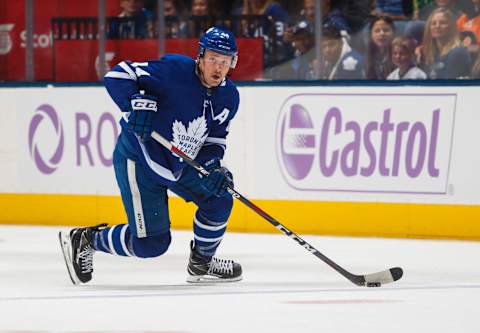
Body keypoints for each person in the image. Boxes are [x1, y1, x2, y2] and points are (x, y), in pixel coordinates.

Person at [59, 26, 242, 285]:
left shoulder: (229, 96)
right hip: (140, 158)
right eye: (213, 58)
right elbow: (118, 75)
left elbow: (213, 141)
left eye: (225, 61)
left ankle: (202, 262)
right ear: (200, 56)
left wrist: (213, 167)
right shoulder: (174, 70)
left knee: (220, 199)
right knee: (151, 245)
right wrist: (135, 103)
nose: (218, 67)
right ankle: (87, 239)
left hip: (179, 161)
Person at [419, 7, 472, 78]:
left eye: (442, 23)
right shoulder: (429, 53)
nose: (437, 26)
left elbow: (450, 86)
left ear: (451, 27)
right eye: (433, 23)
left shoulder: (458, 53)